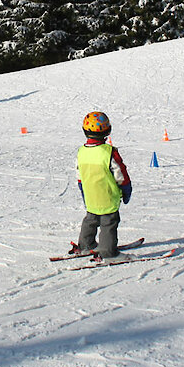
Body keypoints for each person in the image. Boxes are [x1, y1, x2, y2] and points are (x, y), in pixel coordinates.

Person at [75, 112, 132, 262]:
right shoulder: (109, 152)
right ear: (107, 130)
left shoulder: (82, 152)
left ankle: (85, 245)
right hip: (107, 196)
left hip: (90, 195)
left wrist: (83, 192)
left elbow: (80, 175)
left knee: (91, 219)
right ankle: (108, 252)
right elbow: (120, 173)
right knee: (109, 222)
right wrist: (126, 189)